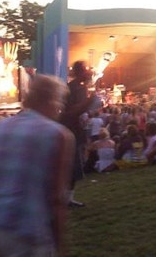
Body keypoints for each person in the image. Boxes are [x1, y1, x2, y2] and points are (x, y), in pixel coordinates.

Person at [0, 74, 75, 257]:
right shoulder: (59, 135)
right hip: (24, 231)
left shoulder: (0, 127)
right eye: (61, 101)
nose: (61, 108)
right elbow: (57, 198)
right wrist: (59, 246)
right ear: (52, 100)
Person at [59, 60, 98, 207]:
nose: (88, 72)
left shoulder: (79, 87)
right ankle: (65, 199)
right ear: (78, 72)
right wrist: (90, 101)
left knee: (74, 164)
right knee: (72, 165)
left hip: (75, 130)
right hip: (72, 131)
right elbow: (73, 111)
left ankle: (67, 197)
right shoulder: (75, 88)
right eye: (85, 69)